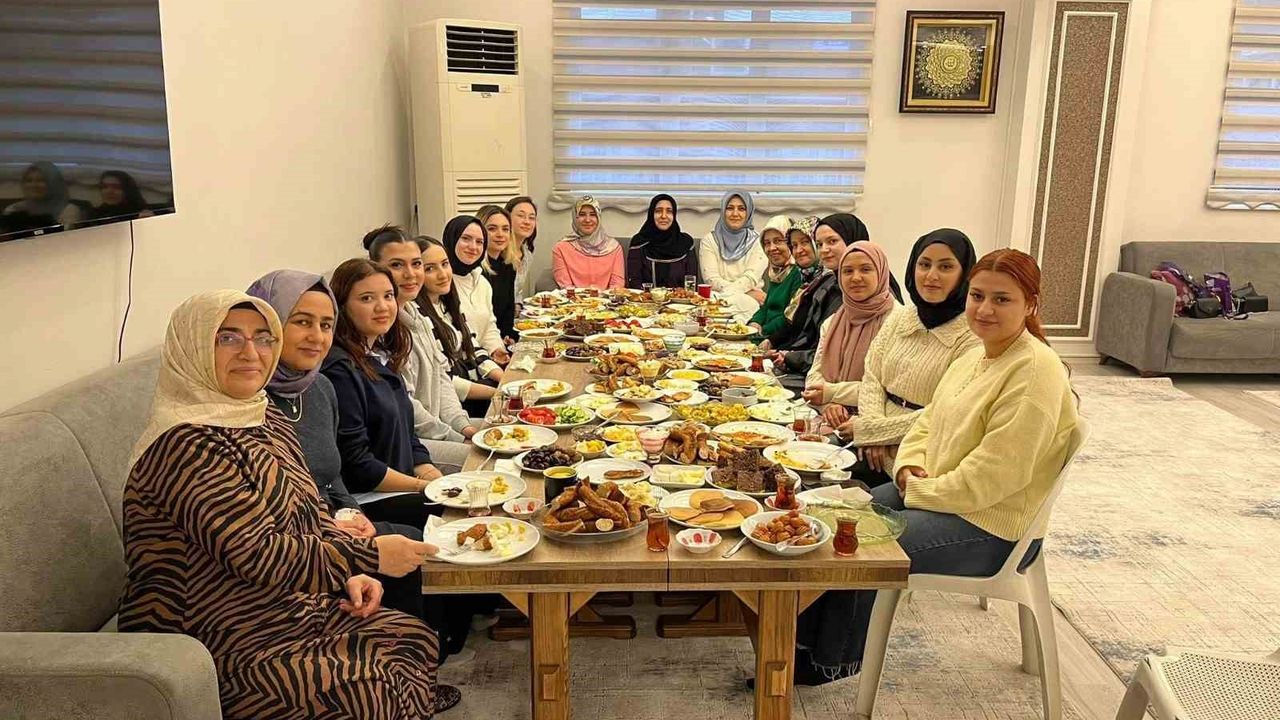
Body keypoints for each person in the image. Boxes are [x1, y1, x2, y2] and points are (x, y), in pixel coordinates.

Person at [118, 290, 445, 718]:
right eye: (228, 338)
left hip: (280, 604)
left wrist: (350, 570)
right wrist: (368, 556)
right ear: (193, 347)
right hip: (212, 632)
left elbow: (308, 508)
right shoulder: (184, 444)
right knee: (367, 689)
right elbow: (257, 554)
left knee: (410, 637)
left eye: (263, 338)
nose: (250, 352)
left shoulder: (261, 415)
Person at [787, 248, 1080, 686]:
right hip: (942, 495)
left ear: (1030, 305)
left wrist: (919, 491)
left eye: (1002, 299)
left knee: (858, 544)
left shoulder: (1034, 372)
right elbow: (928, 422)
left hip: (990, 525)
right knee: (830, 515)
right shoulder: (977, 355)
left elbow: (995, 476)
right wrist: (906, 468)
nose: (984, 309)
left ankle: (833, 659)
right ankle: (801, 639)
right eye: (978, 296)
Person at [248, 269, 475, 682]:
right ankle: (424, 657)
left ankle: (442, 641)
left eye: (324, 325)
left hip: (338, 511)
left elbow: (335, 471)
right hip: (307, 531)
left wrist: (351, 514)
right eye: (301, 322)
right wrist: (344, 529)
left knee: (446, 511)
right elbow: (347, 470)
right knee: (420, 528)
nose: (316, 336)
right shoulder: (257, 403)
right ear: (271, 325)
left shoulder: (318, 388)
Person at [814, 229, 980, 488]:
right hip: (871, 437)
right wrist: (873, 428)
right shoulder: (903, 318)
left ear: (965, 274)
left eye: (946, 267)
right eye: (924, 265)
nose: (931, 276)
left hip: (919, 453)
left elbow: (944, 414)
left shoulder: (971, 337)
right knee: (807, 466)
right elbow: (873, 378)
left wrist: (874, 433)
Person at [321, 259, 445, 507]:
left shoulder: (379, 355)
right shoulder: (340, 371)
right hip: (367, 498)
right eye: (367, 298)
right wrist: (424, 487)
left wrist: (430, 473)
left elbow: (407, 434)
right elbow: (358, 466)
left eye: (388, 296)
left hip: (400, 482)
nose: (382, 307)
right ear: (342, 307)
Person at [363, 224, 478, 445]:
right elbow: (405, 404)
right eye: (397, 265)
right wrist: (456, 438)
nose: (410, 274)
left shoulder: (418, 315)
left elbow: (441, 377)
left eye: (416, 264)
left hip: (438, 427)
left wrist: (463, 426)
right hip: (412, 440)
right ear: (376, 270)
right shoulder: (381, 328)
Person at [764, 213, 897, 385]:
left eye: (832, 241)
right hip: (815, 374)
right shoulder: (827, 281)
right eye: (819, 244)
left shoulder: (879, 296)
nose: (824, 250)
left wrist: (791, 357)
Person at [417, 235, 502, 417]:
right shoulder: (419, 318)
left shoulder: (446, 303)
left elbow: (472, 347)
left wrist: (504, 379)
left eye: (445, 264)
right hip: (455, 405)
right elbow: (443, 381)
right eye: (430, 268)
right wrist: (498, 393)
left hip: (474, 385)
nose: (443, 274)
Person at [444, 215, 510, 365]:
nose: (473, 247)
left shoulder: (482, 282)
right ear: (452, 239)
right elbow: (459, 339)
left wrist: (496, 349)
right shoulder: (442, 283)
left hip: (484, 362)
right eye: (466, 239)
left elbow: (489, 326)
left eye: (479, 242)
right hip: (460, 368)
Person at [698, 190, 768, 316]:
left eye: (741, 209)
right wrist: (745, 294)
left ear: (749, 212)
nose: (735, 214)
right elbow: (711, 280)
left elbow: (751, 278)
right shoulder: (709, 240)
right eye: (730, 208)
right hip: (717, 303)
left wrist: (733, 296)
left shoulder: (759, 241)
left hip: (749, 303)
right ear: (723, 211)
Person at [626, 193, 699, 288]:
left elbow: (691, 284)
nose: (664, 216)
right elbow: (634, 284)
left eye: (669, 211)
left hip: (680, 297)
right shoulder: (639, 243)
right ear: (651, 214)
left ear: (674, 215)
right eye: (658, 211)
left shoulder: (686, 243)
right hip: (646, 297)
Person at [552, 195, 624, 289]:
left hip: (608, 298)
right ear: (575, 217)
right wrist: (584, 298)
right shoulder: (561, 248)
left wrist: (603, 297)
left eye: (593, 214)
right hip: (573, 298)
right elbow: (566, 286)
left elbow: (617, 285)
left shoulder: (614, 248)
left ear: (599, 217)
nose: (587, 220)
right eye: (582, 214)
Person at [747, 215, 800, 337]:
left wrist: (761, 331)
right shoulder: (777, 272)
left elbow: (790, 316)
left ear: (791, 243)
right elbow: (766, 307)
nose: (771, 248)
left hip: (779, 338)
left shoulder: (798, 274)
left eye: (778, 241)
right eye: (767, 243)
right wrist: (754, 322)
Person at [477, 205, 519, 344]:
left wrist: (508, 335)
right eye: (492, 229)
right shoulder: (476, 270)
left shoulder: (508, 265)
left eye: (505, 229)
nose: (500, 234)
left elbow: (508, 309)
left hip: (502, 337)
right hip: (483, 341)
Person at [2, 161, 83, 230]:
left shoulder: (68, 210)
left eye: (41, 180)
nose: (34, 185)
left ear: (53, 183)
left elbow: (65, 238)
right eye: (29, 181)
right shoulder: (13, 209)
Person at [505, 196, 538, 301]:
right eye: (521, 216)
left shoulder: (527, 255)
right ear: (507, 218)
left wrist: (518, 305)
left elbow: (517, 294)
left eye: (531, 218)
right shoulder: (499, 252)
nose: (527, 222)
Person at [87, 170, 153, 222]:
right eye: (104, 187)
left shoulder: (141, 213)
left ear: (127, 190)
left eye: (117, 187)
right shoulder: (95, 216)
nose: (109, 191)